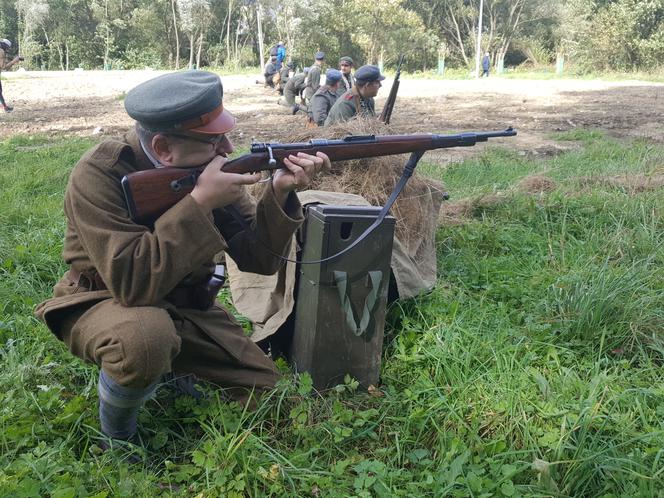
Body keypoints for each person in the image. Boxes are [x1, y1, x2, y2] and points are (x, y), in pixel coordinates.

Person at [34, 70, 330, 446]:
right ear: (162, 148)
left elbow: (259, 258)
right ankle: (117, 438)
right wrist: (199, 203)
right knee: (144, 340)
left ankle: (172, 370)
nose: (226, 149)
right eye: (212, 141)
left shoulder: (203, 171)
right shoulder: (99, 174)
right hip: (103, 299)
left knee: (267, 393)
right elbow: (132, 284)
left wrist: (280, 192)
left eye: (224, 135)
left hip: (186, 304)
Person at [0, 38, 21, 113]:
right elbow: (3, 67)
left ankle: (3, 106)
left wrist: (13, 62)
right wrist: (13, 61)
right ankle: (5, 107)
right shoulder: (1, 51)